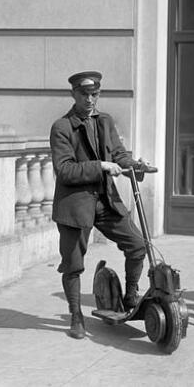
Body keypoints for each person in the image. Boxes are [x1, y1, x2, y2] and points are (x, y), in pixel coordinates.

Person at [50, 71, 150, 339]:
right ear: (74, 94)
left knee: (138, 244)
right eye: (85, 94)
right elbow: (64, 170)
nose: (90, 99)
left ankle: (130, 295)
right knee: (73, 264)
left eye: (95, 94)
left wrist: (134, 165)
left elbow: (118, 153)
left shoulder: (105, 121)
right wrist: (101, 166)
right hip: (75, 205)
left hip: (106, 201)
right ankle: (75, 316)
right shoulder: (62, 127)